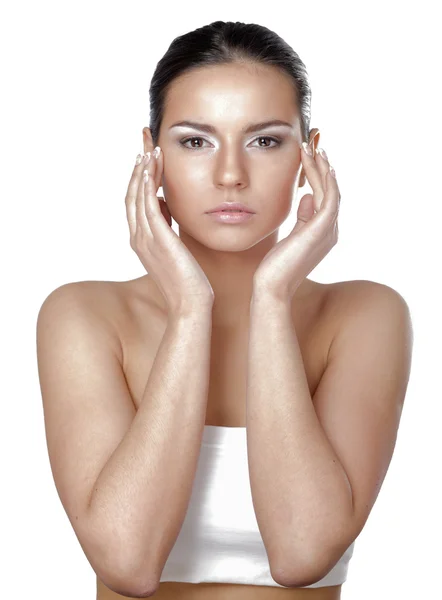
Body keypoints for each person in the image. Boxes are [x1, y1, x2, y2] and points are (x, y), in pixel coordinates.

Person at [36, 20, 413, 600]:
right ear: (151, 153)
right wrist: (191, 309)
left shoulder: (365, 317)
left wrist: (273, 296)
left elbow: (303, 551)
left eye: (265, 140)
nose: (231, 175)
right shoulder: (83, 316)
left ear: (309, 156)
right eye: (195, 141)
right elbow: (128, 561)